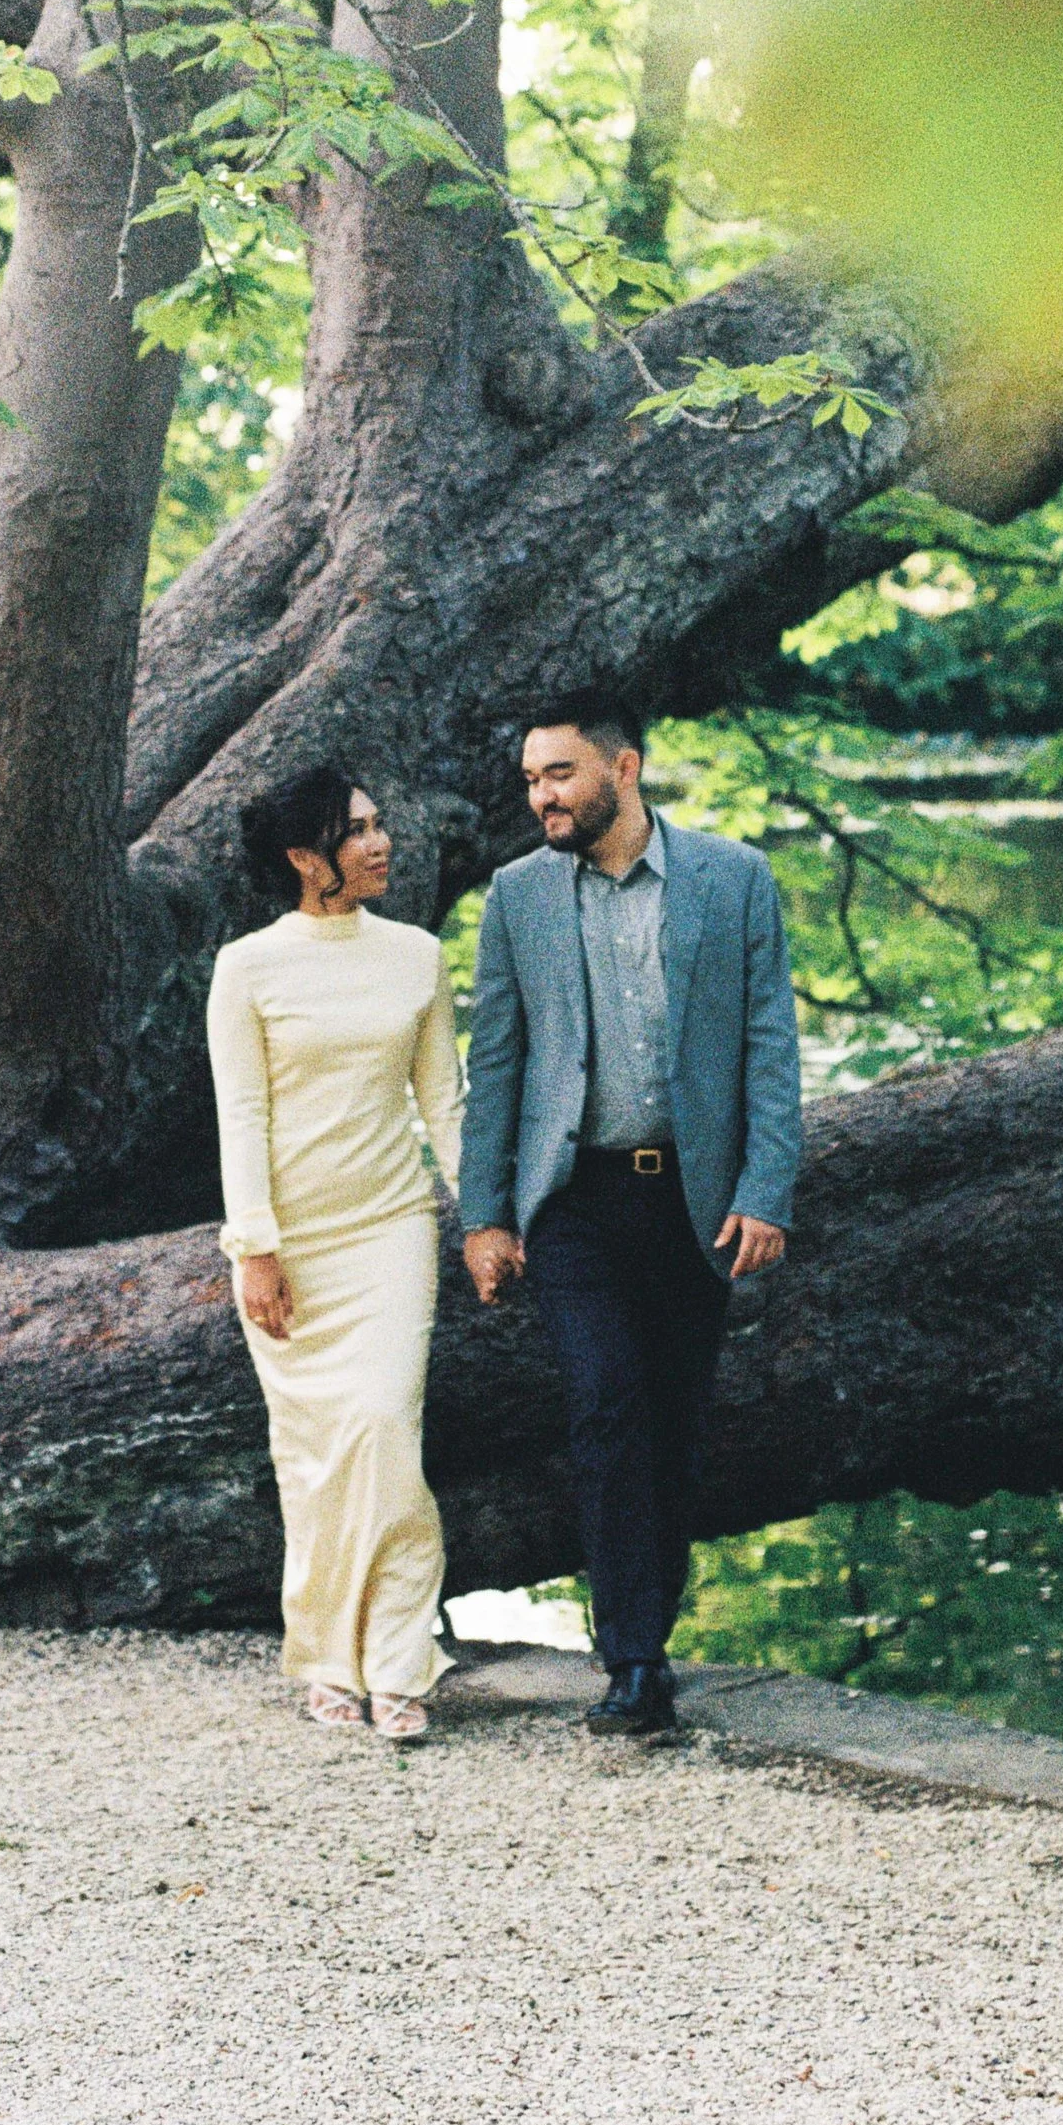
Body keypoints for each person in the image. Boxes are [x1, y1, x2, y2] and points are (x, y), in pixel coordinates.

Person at [459, 700, 803, 1738]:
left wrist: (764, 1188)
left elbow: (769, 1047)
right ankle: (635, 1662)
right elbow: (500, 1066)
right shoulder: (516, 896)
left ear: (625, 765)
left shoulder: (733, 879)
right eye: (530, 780)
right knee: (605, 1406)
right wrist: (483, 1216)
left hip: (693, 1201)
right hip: (572, 1201)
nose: (542, 797)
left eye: (558, 774)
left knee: (674, 1424)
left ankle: (649, 1626)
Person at [208, 767, 464, 1742]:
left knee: (386, 1428)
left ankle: (400, 1662)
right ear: (305, 859)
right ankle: (325, 1655)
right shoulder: (250, 968)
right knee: (315, 1453)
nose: (381, 841)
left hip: (393, 1226)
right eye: (355, 831)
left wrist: (480, 1216)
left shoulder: (416, 955)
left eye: (379, 822)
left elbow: (444, 1101)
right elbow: (243, 1112)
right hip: (292, 1243)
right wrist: (255, 1248)